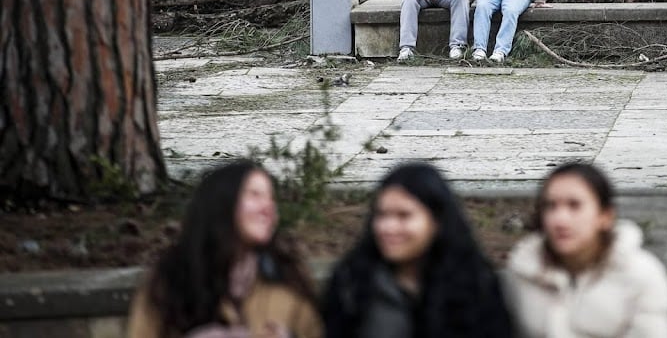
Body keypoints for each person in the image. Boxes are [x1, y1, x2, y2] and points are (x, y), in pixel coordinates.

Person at [128, 160, 321, 338]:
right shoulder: (171, 281)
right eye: (255, 195)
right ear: (222, 203)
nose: (268, 207)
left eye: (271, 198)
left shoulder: (288, 278)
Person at [321, 162, 512, 338]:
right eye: (381, 215)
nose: (388, 227)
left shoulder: (475, 285)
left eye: (404, 216)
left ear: (436, 221)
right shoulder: (351, 283)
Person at [503, 162, 667, 338]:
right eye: (550, 206)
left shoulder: (641, 276)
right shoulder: (522, 271)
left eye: (574, 206)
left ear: (605, 216)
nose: (560, 219)